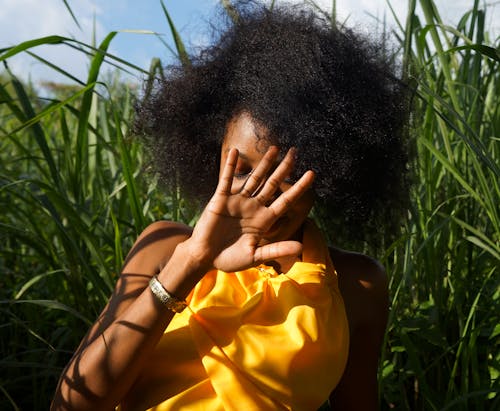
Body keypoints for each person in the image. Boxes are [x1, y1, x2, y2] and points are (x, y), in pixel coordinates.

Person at [52, 1, 411, 410]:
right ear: (212, 154)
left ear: (332, 172)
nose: (261, 193)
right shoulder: (162, 248)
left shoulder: (354, 284)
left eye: (287, 175)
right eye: (241, 170)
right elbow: (71, 404)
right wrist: (192, 262)